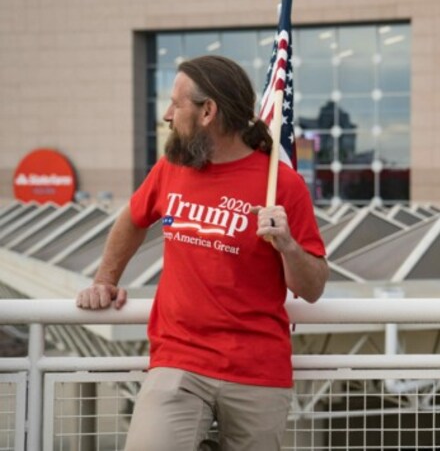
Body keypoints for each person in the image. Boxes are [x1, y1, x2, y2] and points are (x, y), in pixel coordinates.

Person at [76, 55, 329, 451]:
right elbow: (132, 220)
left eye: (176, 105)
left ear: (208, 111)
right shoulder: (170, 169)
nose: (166, 115)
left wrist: (287, 246)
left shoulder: (284, 185)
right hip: (178, 360)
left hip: (257, 371)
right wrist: (105, 280)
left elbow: (312, 288)